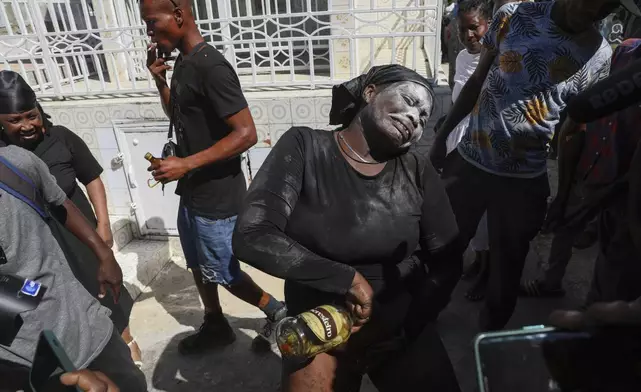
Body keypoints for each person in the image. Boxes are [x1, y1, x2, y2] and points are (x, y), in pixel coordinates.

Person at [233, 64, 463, 392]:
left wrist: (410, 328)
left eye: (424, 118)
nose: (415, 118)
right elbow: (252, 234)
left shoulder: (417, 171)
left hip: (396, 325)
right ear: (370, 93)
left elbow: (448, 259)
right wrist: (348, 280)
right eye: (409, 101)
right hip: (319, 323)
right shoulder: (305, 147)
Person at [429, 0, 639, 331]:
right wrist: (442, 136)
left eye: (608, 5)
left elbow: (573, 130)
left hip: (524, 182)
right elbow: (476, 81)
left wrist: (565, 194)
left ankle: (490, 348)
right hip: (469, 164)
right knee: (439, 254)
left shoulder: (599, 53)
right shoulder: (514, 15)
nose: (596, 10)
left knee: (506, 278)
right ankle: (419, 326)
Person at [140, 0, 287, 355]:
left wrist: (186, 164)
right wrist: (159, 80)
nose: (148, 31)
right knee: (197, 262)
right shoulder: (184, 63)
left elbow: (246, 134)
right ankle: (216, 323)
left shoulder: (212, 66)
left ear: (178, 15)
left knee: (223, 270)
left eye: (151, 22)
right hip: (193, 191)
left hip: (218, 196)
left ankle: (278, 311)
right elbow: (178, 113)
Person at [0, 70, 141, 367]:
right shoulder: (6, 158)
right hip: (41, 245)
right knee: (59, 300)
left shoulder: (61, 138)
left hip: (78, 232)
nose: (27, 126)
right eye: (15, 120)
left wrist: (103, 225)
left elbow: (93, 179)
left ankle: (126, 339)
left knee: (102, 287)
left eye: (31, 115)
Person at [0, 144, 146, 390]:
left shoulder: (16, 164)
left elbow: (61, 203)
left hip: (89, 328)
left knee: (132, 384)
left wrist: (104, 255)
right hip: (26, 363)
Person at [521, 25, 641, 298]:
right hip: (594, 162)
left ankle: (598, 313)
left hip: (628, 183)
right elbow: (586, 113)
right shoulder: (625, 51)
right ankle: (550, 282)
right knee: (566, 223)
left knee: (617, 252)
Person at [446, 0, 493, 302]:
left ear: (487, 24)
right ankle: (478, 261)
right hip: (459, 143)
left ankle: (489, 272)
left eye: (474, 27)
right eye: (463, 29)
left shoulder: (499, 59)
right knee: (466, 212)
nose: (469, 35)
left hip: (484, 146)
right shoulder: (463, 57)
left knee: (485, 215)